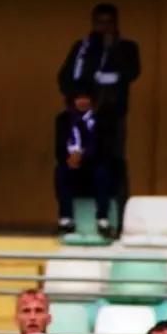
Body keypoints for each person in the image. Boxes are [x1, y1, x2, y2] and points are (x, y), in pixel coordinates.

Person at [57, 3, 140, 204]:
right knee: (78, 165)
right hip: (83, 118)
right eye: (100, 23)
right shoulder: (82, 49)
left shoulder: (127, 48)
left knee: (112, 165)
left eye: (109, 23)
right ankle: (78, 215)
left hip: (112, 119)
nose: (105, 28)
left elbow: (131, 72)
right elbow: (65, 80)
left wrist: (113, 50)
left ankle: (115, 216)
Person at [53, 88, 114, 238]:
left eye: (86, 98)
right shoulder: (63, 119)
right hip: (70, 165)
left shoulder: (102, 121)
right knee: (60, 172)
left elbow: (104, 148)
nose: (83, 101)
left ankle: (102, 219)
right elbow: (59, 146)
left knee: (103, 173)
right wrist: (69, 158)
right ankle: (66, 219)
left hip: (92, 165)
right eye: (79, 98)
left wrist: (83, 157)